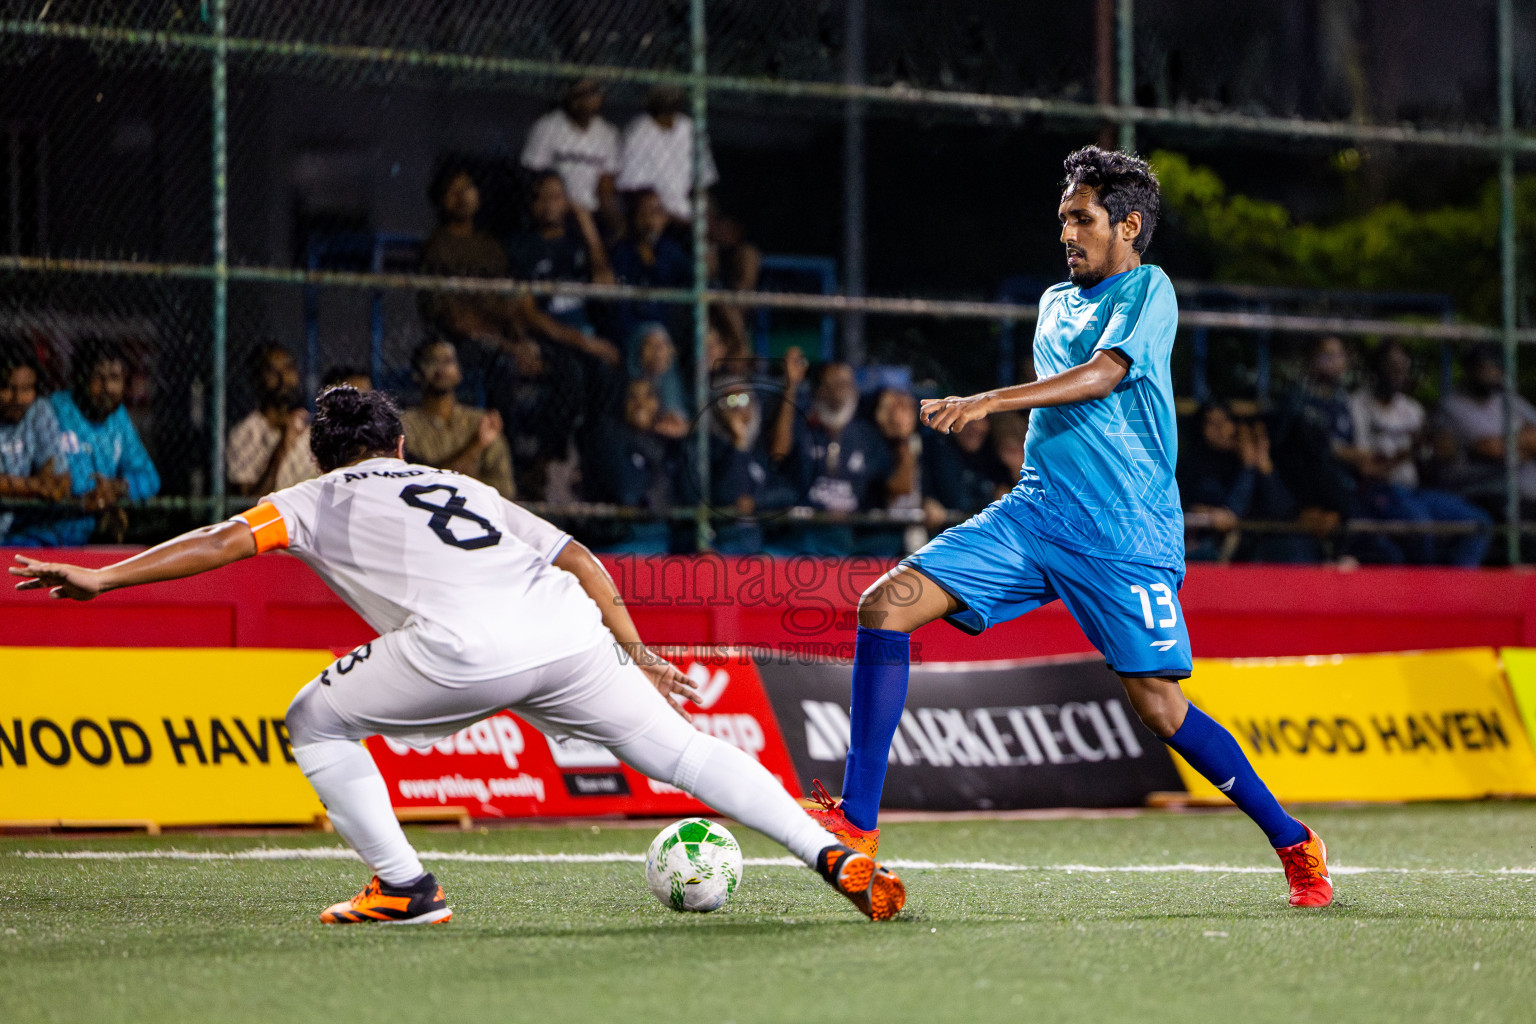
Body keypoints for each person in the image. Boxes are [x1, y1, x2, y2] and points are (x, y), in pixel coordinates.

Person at [9, 386, 904, 924]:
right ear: (401, 445)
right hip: (568, 634)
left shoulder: (313, 495)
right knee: (684, 754)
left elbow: (215, 540)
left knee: (313, 720)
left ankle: (404, 887)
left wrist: (103, 580)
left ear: (324, 455)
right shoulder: (458, 479)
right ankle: (828, 855)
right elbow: (583, 559)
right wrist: (635, 650)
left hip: (463, 652)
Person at [803, 147, 1332, 909]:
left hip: (1123, 534)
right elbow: (1065, 407)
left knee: (1158, 708)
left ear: (1129, 225)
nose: (1067, 234)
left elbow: (1106, 376)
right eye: (1062, 220)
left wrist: (989, 402)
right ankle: (857, 823)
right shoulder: (1054, 300)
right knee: (885, 605)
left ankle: (1294, 842)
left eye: (1081, 219)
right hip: (1035, 512)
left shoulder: (1150, 289)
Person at [1350, 341, 1490, 566]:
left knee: (1478, 523)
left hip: (1413, 491)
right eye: (1392, 366)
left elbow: (1427, 462)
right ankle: (1427, 592)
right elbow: (1366, 468)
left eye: (1403, 367)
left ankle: (1455, 591)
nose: (1399, 373)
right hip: (1376, 491)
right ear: (1375, 369)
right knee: (1419, 526)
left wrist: (1443, 452)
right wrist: (1410, 450)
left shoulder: (1412, 409)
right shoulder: (1357, 405)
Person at [766, 361, 895, 556]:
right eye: (830, 384)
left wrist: (903, 440)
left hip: (850, 534)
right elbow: (778, 452)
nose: (837, 392)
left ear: (855, 390)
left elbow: (896, 487)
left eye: (844, 384)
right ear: (817, 390)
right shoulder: (803, 426)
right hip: (803, 533)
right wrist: (790, 387)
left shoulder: (867, 436)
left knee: (890, 545)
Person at [44, 340, 160, 546]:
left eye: (115, 378)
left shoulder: (118, 416)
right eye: (98, 377)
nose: (107, 388)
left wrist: (120, 487)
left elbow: (149, 478)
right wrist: (97, 492)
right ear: (80, 378)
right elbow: (59, 481)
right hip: (44, 535)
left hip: (93, 537)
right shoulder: (53, 411)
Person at [1179, 403, 1313, 563]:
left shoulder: (1255, 463)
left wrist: (1263, 465)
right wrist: (1248, 468)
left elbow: (1284, 511)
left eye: (1224, 422)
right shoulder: (1195, 465)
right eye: (1212, 424)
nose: (1221, 430)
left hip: (1260, 546)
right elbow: (1232, 512)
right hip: (1210, 548)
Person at [401, 338, 515, 499]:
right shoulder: (405, 424)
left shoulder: (480, 422)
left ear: (459, 373)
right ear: (417, 373)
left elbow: (504, 488)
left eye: (448, 361)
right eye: (431, 361)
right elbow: (420, 485)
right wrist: (474, 446)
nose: (441, 368)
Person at [1434, 344, 1536, 520]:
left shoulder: (1508, 400)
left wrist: (1511, 444)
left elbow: (1502, 445)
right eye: (1483, 367)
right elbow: (1491, 449)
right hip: (1480, 492)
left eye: (1496, 367)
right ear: (1470, 369)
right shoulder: (1452, 406)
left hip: (1525, 493)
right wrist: (1526, 442)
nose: (1492, 373)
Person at [520, 78, 621, 228]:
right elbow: (533, 175)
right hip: (555, 210)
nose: (584, 100)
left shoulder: (608, 134)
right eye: (579, 94)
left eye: (590, 94)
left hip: (591, 212)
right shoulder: (547, 127)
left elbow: (606, 183)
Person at [616, 86, 718, 224]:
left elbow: (702, 184)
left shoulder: (689, 127)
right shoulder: (638, 130)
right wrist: (672, 218)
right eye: (662, 91)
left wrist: (710, 219)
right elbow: (636, 191)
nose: (668, 96)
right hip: (654, 214)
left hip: (687, 211)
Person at [228, 344, 319, 498]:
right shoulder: (245, 433)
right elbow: (248, 503)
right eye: (272, 371)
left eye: (288, 368)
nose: (283, 378)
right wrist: (283, 445)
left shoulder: (311, 428)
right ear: (257, 379)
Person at [0, 346, 70, 543]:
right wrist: (37, 486)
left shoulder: (39, 410)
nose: (18, 399)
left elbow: (61, 479)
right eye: (6, 388)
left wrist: (19, 486)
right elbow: (45, 485)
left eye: (26, 389)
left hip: (20, 530)